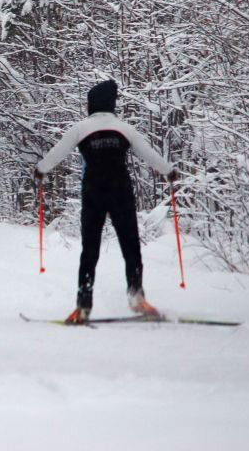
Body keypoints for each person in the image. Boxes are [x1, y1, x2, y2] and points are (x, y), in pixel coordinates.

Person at [35, 79, 177, 324]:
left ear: (90, 104)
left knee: (90, 249)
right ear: (112, 104)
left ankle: (83, 304)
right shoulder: (124, 128)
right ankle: (136, 296)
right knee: (130, 245)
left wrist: (40, 170)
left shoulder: (80, 128)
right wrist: (169, 171)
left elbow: (57, 153)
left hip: (93, 191)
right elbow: (149, 154)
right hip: (120, 190)